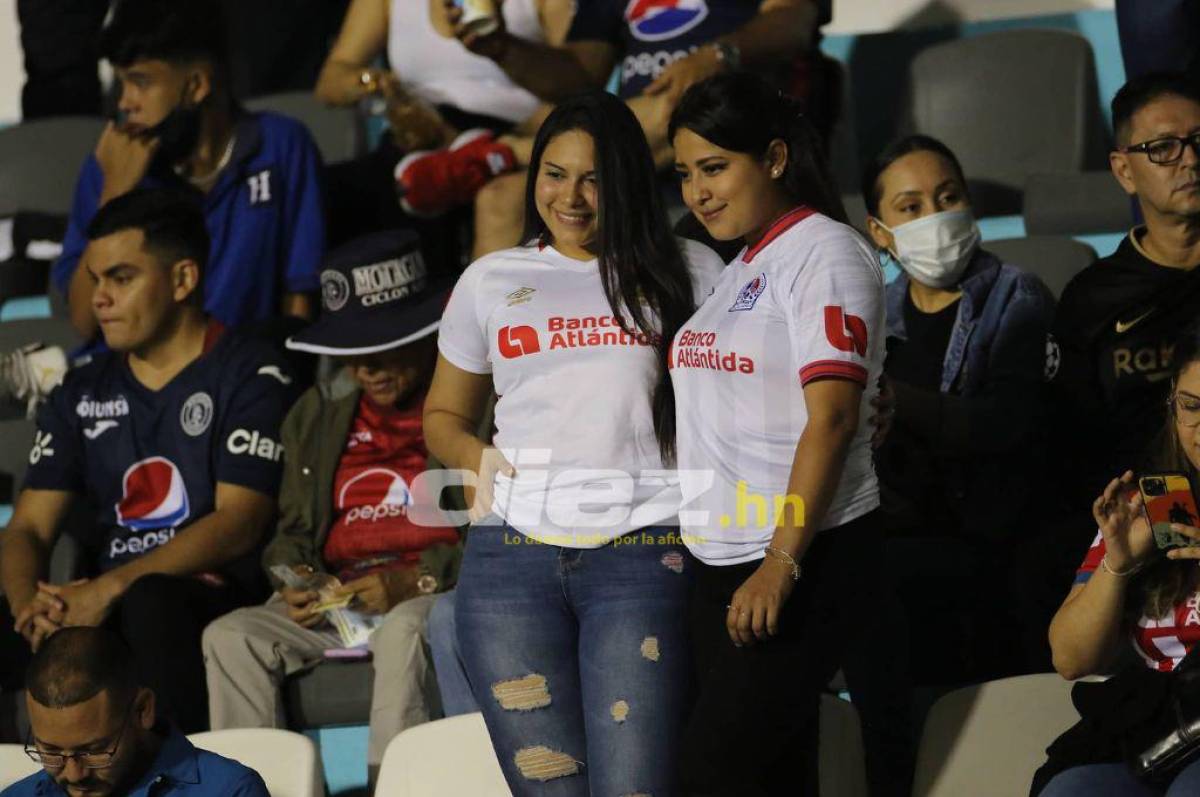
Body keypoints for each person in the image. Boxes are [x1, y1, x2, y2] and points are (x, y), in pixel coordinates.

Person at [424, 91, 724, 795]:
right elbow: (443, 414)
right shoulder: (491, 280)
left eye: (594, 178)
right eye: (554, 173)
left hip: (645, 551)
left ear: (627, 179)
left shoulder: (694, 272)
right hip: (509, 566)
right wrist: (476, 459)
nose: (572, 196)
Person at [0, 188, 296, 734]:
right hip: (106, 597)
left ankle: (180, 783)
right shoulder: (80, 390)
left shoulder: (251, 373)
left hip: (211, 593)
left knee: (150, 600)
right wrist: (27, 605)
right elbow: (28, 528)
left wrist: (108, 588)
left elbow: (240, 521)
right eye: (94, 280)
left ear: (183, 279)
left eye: (121, 278)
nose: (98, 300)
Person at [668, 72, 884, 796]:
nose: (697, 191)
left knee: (708, 778)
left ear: (777, 158)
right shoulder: (741, 265)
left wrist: (781, 561)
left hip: (801, 557)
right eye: (685, 173)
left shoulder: (826, 253)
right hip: (718, 565)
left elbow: (833, 417)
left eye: (715, 167)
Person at [202, 230, 463, 785]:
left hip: (437, 591)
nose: (366, 366)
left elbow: (499, 535)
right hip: (344, 602)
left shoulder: (471, 402)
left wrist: (413, 581)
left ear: (424, 332)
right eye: (351, 351)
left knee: (403, 630)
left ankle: (395, 787)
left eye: (383, 344)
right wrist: (298, 578)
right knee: (230, 636)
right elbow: (291, 534)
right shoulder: (316, 412)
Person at [399, 0, 833, 258]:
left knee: (686, 106)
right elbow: (577, 75)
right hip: (635, 144)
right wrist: (501, 48)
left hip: (735, 116)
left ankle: (505, 152)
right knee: (500, 198)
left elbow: (792, 21)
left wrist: (717, 56)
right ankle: (484, 380)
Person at [862, 134, 1056, 679]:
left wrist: (902, 403)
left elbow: (1008, 425)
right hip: (901, 544)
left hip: (995, 547)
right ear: (880, 233)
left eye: (948, 198)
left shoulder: (1016, 296)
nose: (935, 217)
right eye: (910, 208)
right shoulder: (872, 316)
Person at [54, 0, 324, 345]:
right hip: (134, 384)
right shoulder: (109, 165)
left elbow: (299, 295)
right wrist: (115, 198)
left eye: (141, 82)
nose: (125, 103)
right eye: (122, 84)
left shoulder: (282, 146)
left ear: (196, 85)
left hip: (242, 376)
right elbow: (83, 321)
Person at [1046, 71, 1200, 619]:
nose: (1189, 159)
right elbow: (1072, 447)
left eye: (1199, 142)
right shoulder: (1092, 301)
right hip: (1136, 529)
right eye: (1163, 148)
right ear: (1123, 170)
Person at [1033, 324, 1200, 796]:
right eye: (1191, 407)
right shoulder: (1159, 501)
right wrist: (1118, 564)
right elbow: (1070, 658)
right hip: (1158, 731)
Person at [312, 0, 571, 246]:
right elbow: (331, 81)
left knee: (488, 195)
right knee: (316, 196)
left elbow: (577, 83)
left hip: (509, 135)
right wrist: (375, 83)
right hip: (417, 132)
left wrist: (502, 47)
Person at [4, 626, 269, 797]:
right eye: (50, 753)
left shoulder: (228, 791)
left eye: (94, 751)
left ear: (142, 709)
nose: (75, 775)